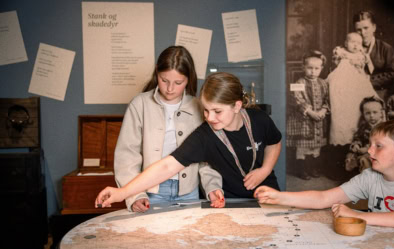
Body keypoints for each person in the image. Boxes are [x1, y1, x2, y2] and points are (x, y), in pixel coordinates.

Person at [97, 72, 282, 209]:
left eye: (217, 111)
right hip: (230, 202)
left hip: (267, 195)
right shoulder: (205, 135)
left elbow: (274, 143)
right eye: (206, 110)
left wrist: (264, 170)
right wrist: (123, 192)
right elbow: (166, 167)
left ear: (237, 106)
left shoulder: (260, 119)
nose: (210, 118)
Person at [255, 119, 394, 232]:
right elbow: (323, 198)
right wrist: (279, 197)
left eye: (378, 146)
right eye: (370, 145)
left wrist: (359, 215)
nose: (370, 151)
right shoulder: (369, 177)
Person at [114, 46, 222, 213]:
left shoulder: (199, 107)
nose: (170, 88)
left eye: (178, 83)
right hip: (150, 191)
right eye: (164, 80)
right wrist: (135, 195)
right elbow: (127, 156)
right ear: (157, 73)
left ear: (188, 79)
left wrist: (212, 186)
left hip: (189, 192)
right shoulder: (139, 104)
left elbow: (206, 157)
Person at [328, 32, 378, 147]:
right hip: (341, 82)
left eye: (358, 43)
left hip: (356, 84)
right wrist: (338, 59)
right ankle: (341, 138)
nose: (355, 45)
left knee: (355, 109)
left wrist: (366, 60)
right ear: (345, 43)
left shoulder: (362, 54)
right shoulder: (340, 51)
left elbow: (370, 69)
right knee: (340, 108)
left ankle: (356, 137)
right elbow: (334, 65)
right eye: (352, 42)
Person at [286, 50, 329, 180]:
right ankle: (302, 169)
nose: (313, 71)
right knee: (302, 147)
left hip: (319, 120)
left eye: (316, 68)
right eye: (309, 68)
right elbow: (297, 100)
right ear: (303, 67)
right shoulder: (297, 83)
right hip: (303, 120)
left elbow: (327, 100)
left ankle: (313, 168)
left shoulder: (324, 83)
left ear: (321, 68)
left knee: (316, 147)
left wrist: (323, 111)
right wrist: (310, 112)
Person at [353, 10, 394, 100]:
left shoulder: (385, 48)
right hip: (356, 92)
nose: (363, 33)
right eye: (359, 30)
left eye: (366, 28)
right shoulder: (351, 49)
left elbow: (392, 74)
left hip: (380, 93)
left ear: (374, 28)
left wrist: (369, 80)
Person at [345, 96, 385, 173]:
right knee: (351, 156)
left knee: (366, 159)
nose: (371, 116)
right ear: (363, 115)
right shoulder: (364, 127)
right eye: (368, 113)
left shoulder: (384, 127)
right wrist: (356, 145)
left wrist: (367, 149)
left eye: (375, 112)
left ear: (381, 113)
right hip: (364, 151)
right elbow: (358, 138)